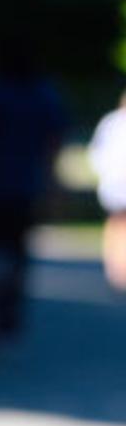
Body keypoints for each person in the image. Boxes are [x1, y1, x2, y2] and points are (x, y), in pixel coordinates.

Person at [0, 47, 68, 341]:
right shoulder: (46, 94)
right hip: (27, 185)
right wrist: (52, 184)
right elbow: (54, 142)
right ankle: (8, 311)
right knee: (17, 251)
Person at [89, 90, 126, 291]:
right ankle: (117, 266)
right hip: (117, 183)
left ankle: (117, 267)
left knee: (117, 224)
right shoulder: (112, 123)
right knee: (117, 223)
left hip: (114, 183)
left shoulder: (110, 122)